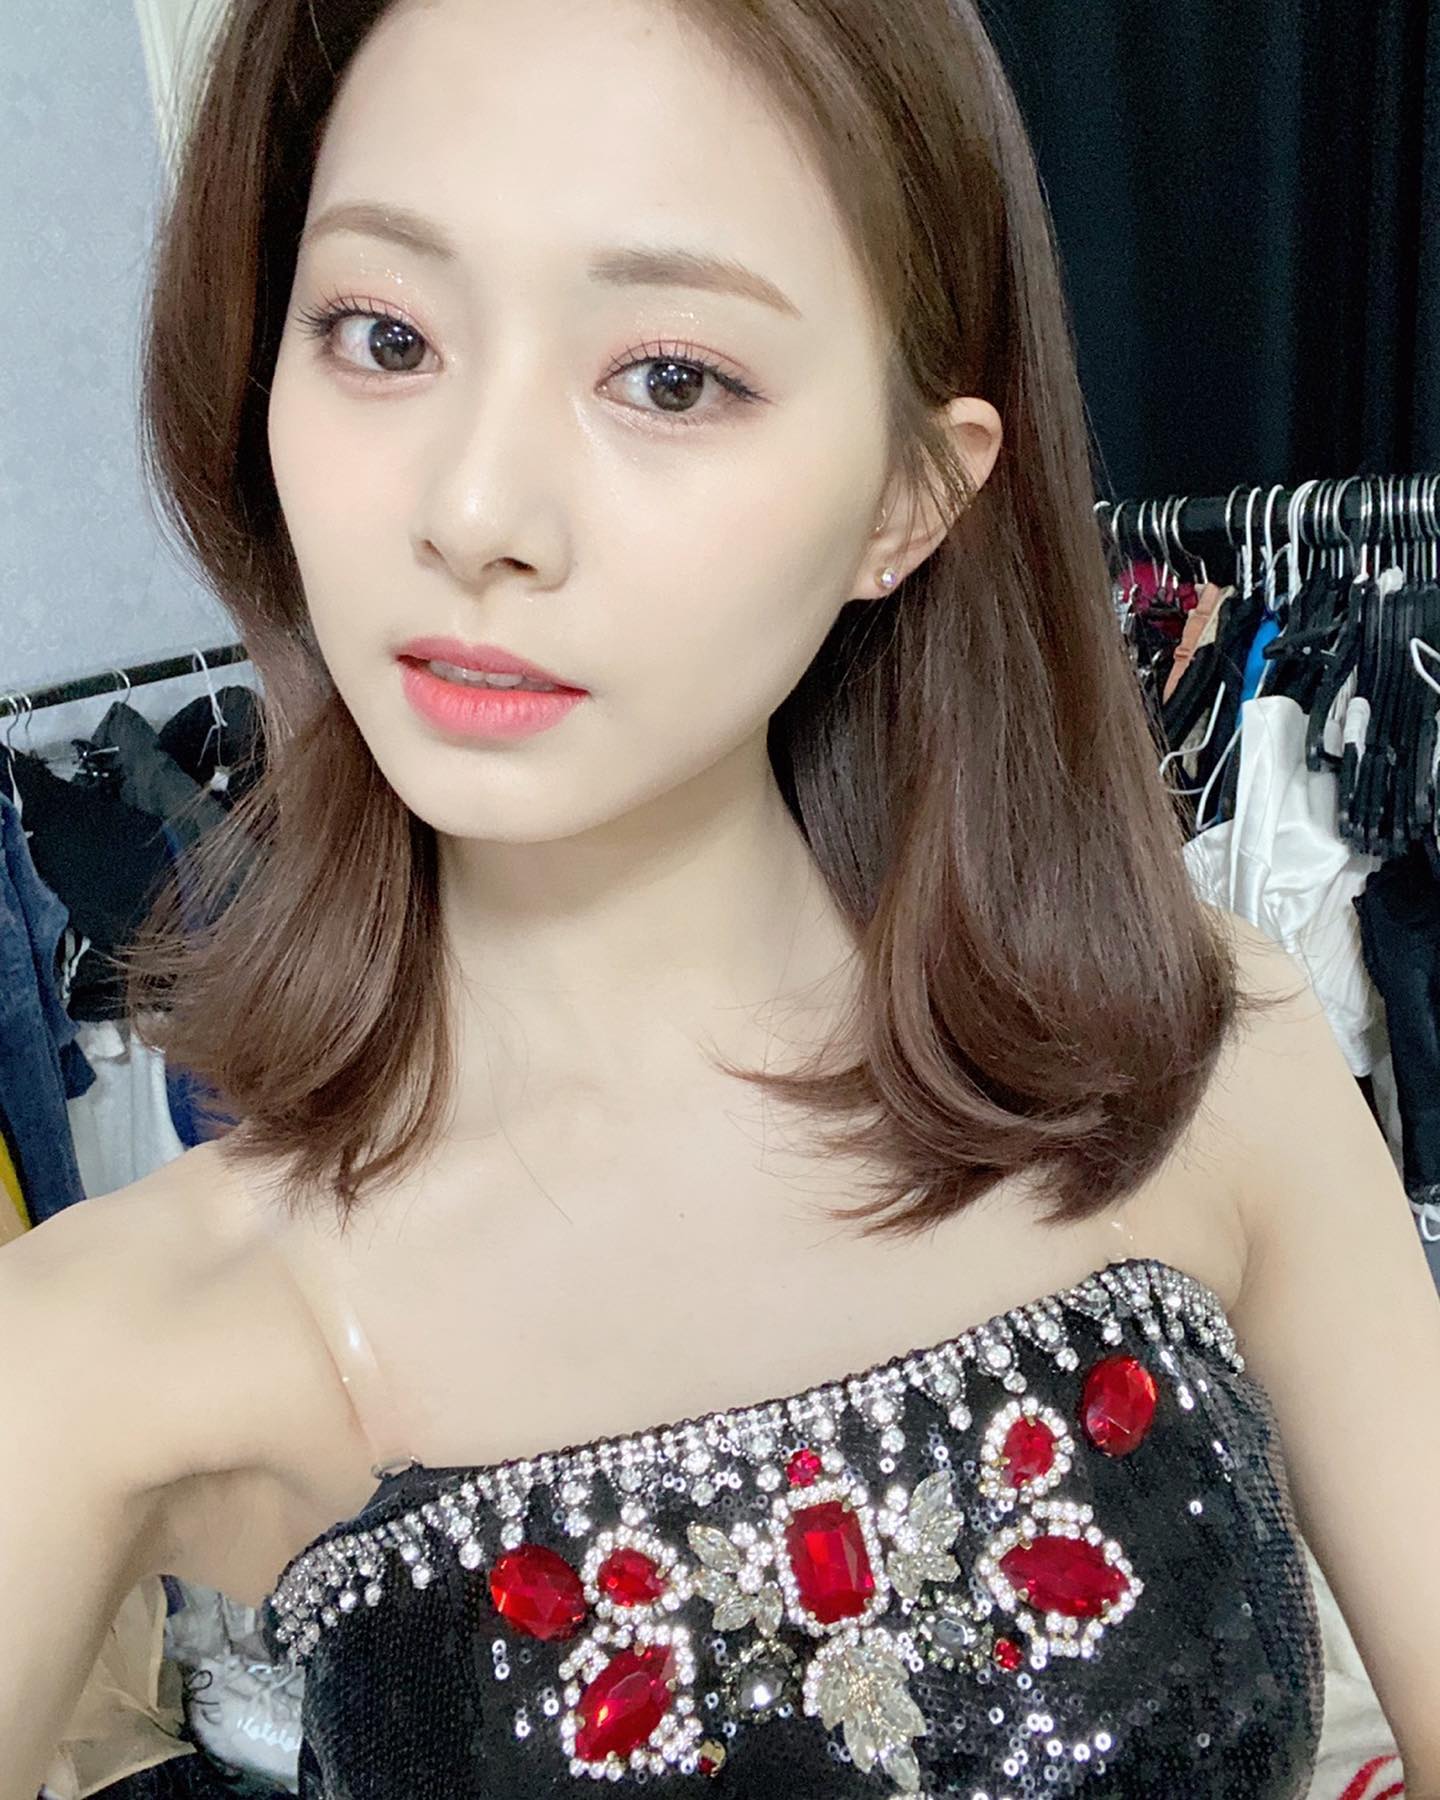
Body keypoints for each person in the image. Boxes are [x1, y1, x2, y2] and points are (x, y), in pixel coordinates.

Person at [4, 0, 1439, 1794]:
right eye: (385, 336)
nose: (476, 508)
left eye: (671, 378)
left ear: (910, 497)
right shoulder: (103, 1353)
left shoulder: (1212, 1072)